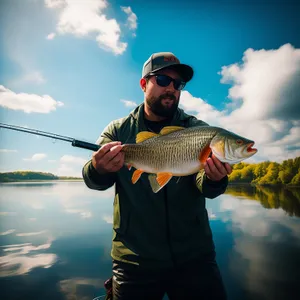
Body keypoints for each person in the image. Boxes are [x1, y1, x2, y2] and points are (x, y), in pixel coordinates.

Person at [82, 52, 232, 300]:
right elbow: (93, 178)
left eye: (178, 83)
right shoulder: (118, 130)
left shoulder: (198, 129)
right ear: (144, 84)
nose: (171, 88)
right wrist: (99, 168)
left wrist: (215, 179)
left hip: (194, 258)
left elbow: (202, 184)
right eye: (163, 80)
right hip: (134, 260)